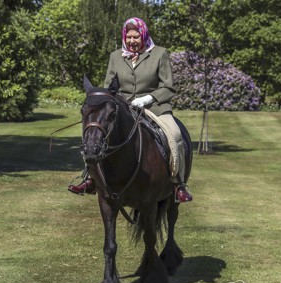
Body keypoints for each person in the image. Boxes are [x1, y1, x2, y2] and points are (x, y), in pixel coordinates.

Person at [68, 17, 192, 203]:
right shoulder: (115, 57)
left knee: (175, 134)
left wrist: (148, 99)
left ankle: (178, 184)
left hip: (154, 107)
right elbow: (110, 88)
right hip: (123, 108)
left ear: (143, 35)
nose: (132, 41)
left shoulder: (159, 54)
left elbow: (168, 87)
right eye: (129, 37)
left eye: (136, 37)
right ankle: (90, 178)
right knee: (95, 135)